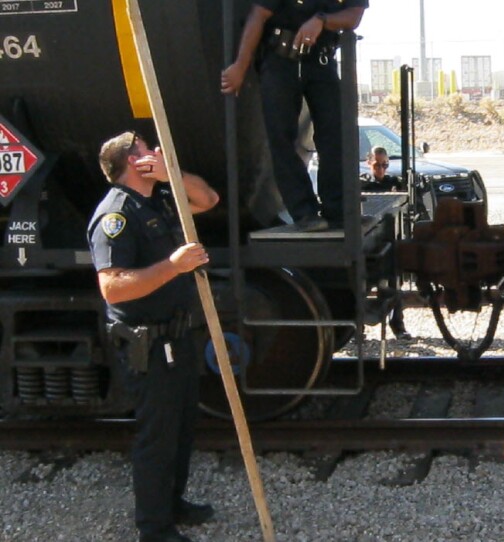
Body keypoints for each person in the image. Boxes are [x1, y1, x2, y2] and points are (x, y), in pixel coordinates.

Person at [87, 132, 220, 542]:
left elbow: (208, 200)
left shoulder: (159, 199)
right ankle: (154, 528)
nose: (156, 152)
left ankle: (172, 504)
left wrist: (172, 173)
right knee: (158, 437)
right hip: (147, 343)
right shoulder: (116, 215)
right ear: (131, 161)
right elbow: (113, 287)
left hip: (176, 337)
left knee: (181, 429)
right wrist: (174, 266)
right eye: (146, 149)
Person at [221, 0, 368, 232]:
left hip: (322, 59)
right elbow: (258, 15)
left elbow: (354, 15)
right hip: (281, 59)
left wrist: (321, 20)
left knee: (336, 135)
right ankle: (304, 212)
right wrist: (241, 65)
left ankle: (338, 210)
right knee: (281, 137)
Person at [360, 146, 410, 339]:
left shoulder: (393, 183)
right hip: (369, 241)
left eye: (384, 165)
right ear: (368, 163)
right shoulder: (363, 185)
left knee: (394, 285)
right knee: (363, 285)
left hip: (389, 239)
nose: (381, 169)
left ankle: (398, 326)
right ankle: (359, 327)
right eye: (377, 165)